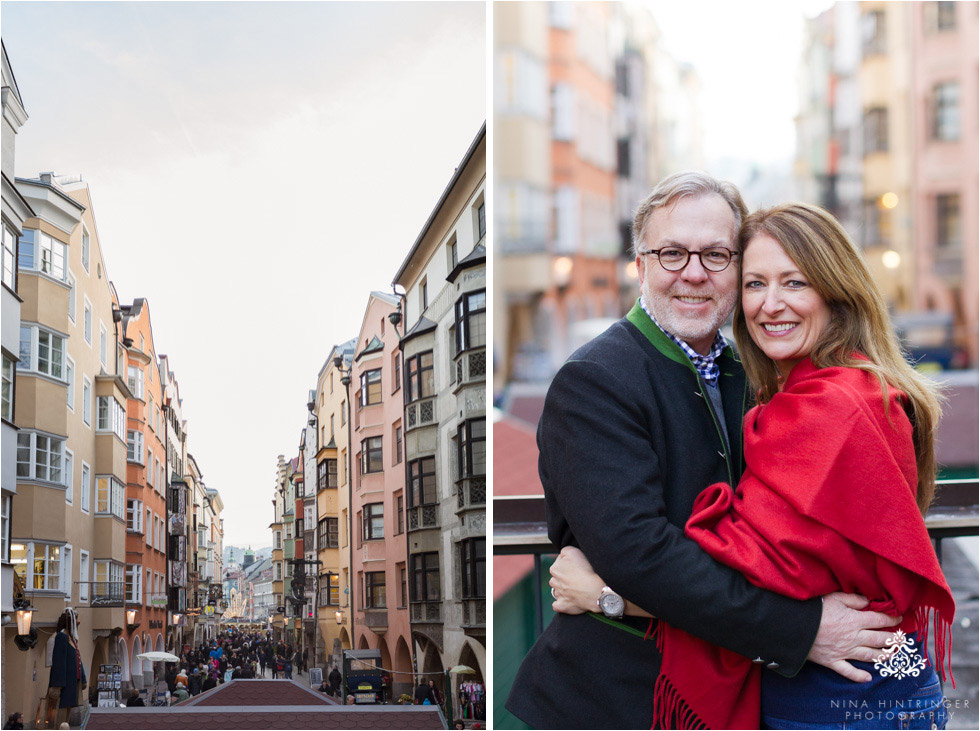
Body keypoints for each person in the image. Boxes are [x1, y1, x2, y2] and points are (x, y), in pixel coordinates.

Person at [505, 173, 903, 730]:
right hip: (619, 700)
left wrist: (600, 593)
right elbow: (643, 557)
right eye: (672, 253)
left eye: (716, 255)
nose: (694, 272)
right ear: (641, 266)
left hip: (736, 690)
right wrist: (800, 629)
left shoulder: (756, 370)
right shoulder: (593, 381)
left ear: (736, 267)